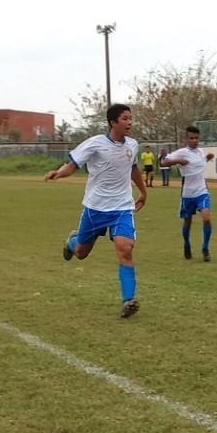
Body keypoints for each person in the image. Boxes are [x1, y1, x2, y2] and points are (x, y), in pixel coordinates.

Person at [45, 103, 147, 318]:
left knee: (125, 248)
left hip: (122, 208)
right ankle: (71, 242)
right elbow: (73, 165)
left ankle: (128, 300)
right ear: (113, 122)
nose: (130, 122)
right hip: (95, 208)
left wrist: (143, 191)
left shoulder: (133, 145)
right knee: (81, 253)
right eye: (125, 118)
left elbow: (133, 169)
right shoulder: (95, 144)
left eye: (130, 118)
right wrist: (59, 173)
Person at [160, 125, 216, 262]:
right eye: (191, 138)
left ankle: (205, 248)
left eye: (196, 138)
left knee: (206, 218)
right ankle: (186, 244)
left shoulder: (200, 152)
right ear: (186, 139)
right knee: (187, 222)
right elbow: (164, 162)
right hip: (187, 194)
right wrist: (179, 161)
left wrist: (207, 158)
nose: (194, 140)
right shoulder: (182, 152)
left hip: (202, 191)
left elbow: (198, 164)